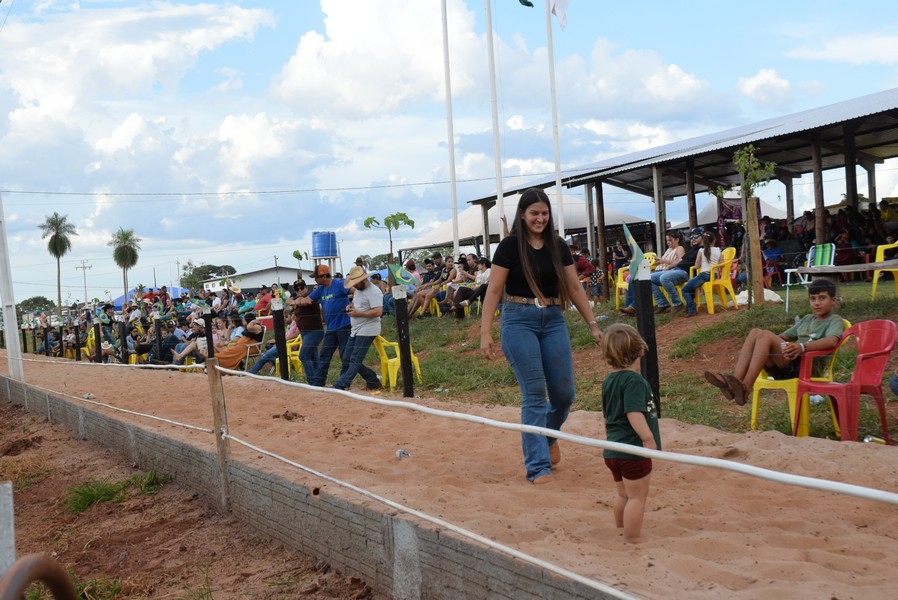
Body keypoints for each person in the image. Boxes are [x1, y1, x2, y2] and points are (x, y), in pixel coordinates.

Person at [480, 188, 603, 484]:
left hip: (553, 319)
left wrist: (592, 324)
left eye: (545, 213)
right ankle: (538, 467)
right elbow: (494, 290)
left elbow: (574, 287)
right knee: (535, 393)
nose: (540, 218)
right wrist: (485, 332)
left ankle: (547, 437)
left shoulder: (558, 246)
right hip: (518, 319)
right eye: (534, 213)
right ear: (523, 214)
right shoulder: (509, 247)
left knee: (564, 394)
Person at [704, 278, 844, 406]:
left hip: (808, 370)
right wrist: (763, 344)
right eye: (813, 298)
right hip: (789, 365)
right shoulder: (807, 319)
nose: (817, 303)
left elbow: (832, 341)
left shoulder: (834, 320)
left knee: (765, 336)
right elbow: (782, 337)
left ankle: (746, 388)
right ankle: (733, 383)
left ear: (833, 300)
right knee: (756, 333)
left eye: (822, 298)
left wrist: (802, 347)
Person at [600, 323, 661, 544]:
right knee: (637, 496)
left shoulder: (609, 381)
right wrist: (648, 438)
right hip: (632, 450)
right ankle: (632, 537)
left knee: (623, 494)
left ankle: (621, 527)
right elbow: (633, 412)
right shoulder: (634, 381)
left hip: (613, 450)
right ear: (640, 350)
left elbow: (607, 415)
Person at [295, 264, 351, 386]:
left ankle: (344, 382)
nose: (315, 280)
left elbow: (354, 291)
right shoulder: (320, 289)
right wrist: (297, 301)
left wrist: (353, 305)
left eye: (316, 277)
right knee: (324, 355)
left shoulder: (339, 284)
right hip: (331, 328)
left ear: (324, 276)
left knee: (345, 356)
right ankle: (318, 383)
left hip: (344, 326)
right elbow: (307, 300)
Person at [332, 266, 383, 391]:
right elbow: (357, 305)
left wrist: (358, 313)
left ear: (363, 280)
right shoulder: (358, 290)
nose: (354, 285)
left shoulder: (374, 291)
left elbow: (378, 311)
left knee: (355, 359)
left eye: (356, 283)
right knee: (347, 357)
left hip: (368, 329)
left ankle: (341, 383)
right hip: (356, 329)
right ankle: (372, 380)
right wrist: (350, 307)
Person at [650, 228, 702, 313]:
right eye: (691, 237)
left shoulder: (702, 250)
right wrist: (670, 266)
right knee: (648, 278)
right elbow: (680, 260)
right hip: (675, 269)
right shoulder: (691, 249)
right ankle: (663, 304)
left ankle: (677, 304)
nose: (693, 238)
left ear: (702, 237)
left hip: (685, 272)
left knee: (664, 278)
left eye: (696, 236)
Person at [680, 230, 722, 317]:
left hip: (704, 275)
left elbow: (696, 266)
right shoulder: (718, 250)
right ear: (714, 240)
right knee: (691, 286)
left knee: (684, 290)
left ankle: (692, 309)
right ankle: (689, 307)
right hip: (713, 275)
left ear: (703, 240)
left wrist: (702, 264)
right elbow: (722, 264)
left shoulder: (701, 251)